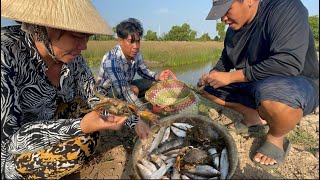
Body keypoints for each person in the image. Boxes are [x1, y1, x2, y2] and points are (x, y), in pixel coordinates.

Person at [1, 0, 129, 179]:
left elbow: (93, 95)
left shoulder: (73, 58)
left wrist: (131, 116)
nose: (84, 46)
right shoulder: (6, 53)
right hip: (11, 151)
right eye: (77, 37)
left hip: (52, 122)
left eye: (87, 37)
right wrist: (81, 125)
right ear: (42, 30)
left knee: (85, 111)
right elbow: (11, 140)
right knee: (75, 150)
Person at [199, 0, 319, 169]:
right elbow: (225, 61)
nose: (223, 19)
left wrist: (230, 77)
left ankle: (276, 138)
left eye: (227, 11)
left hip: (296, 82)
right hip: (256, 82)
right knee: (206, 88)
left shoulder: (286, 7)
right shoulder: (233, 30)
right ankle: (253, 117)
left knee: (271, 93)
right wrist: (212, 75)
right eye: (220, 14)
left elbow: (288, 63)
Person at [96, 18, 176, 139]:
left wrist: (158, 76)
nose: (136, 46)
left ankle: (144, 108)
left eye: (138, 42)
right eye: (131, 42)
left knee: (155, 83)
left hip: (126, 84)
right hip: (107, 92)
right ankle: (134, 119)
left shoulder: (136, 54)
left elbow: (144, 71)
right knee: (133, 90)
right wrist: (146, 112)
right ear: (120, 41)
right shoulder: (112, 60)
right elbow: (125, 91)